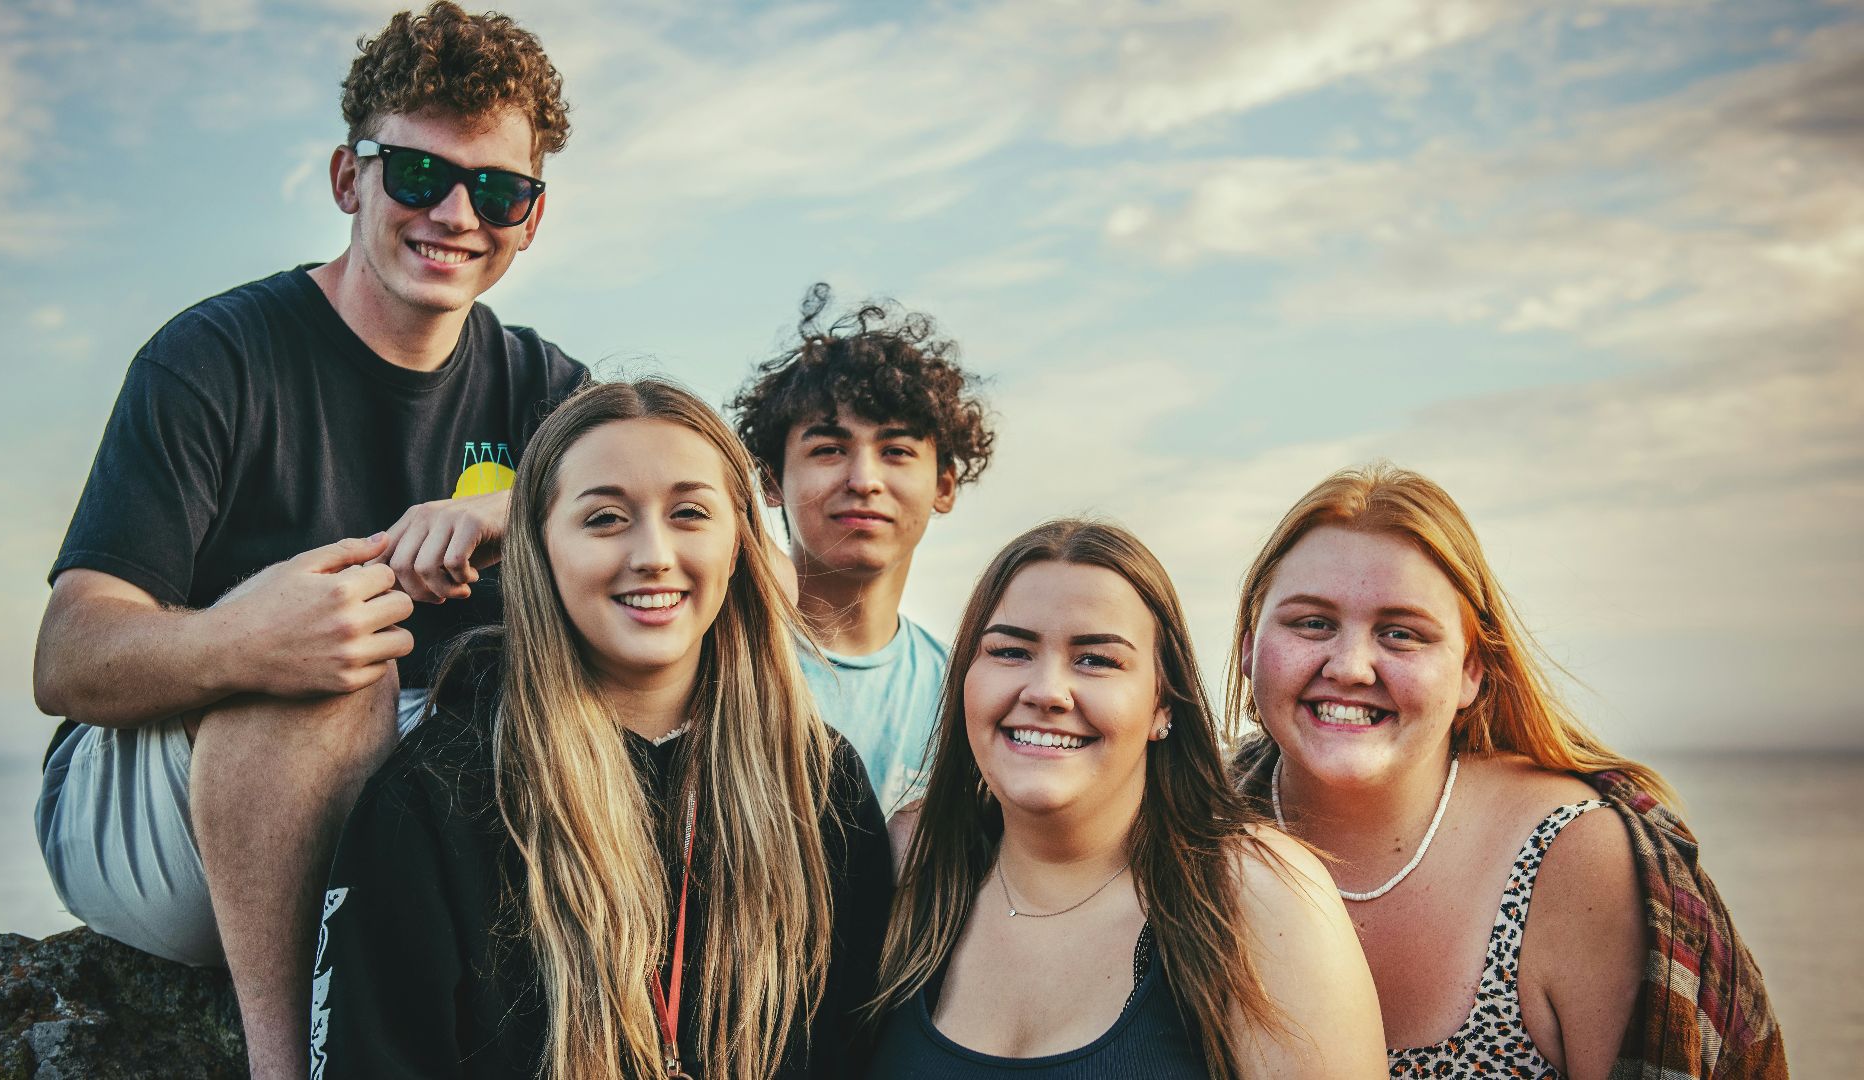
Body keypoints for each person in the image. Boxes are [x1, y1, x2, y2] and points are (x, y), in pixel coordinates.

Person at [29, 5, 583, 1077]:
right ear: (349, 179)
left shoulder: (548, 395)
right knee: (337, 662)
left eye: (499, 190)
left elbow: (698, 521)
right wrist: (248, 642)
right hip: (166, 815)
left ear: (533, 217)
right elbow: (67, 656)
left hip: (396, 811)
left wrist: (510, 504)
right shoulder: (214, 357)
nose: (458, 214)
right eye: (419, 175)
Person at [310, 379, 894, 1079]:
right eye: (605, 519)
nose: (651, 552)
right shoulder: (437, 796)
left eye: (689, 513)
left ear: (739, 545)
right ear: (539, 549)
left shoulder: (819, 783)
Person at [1225, 464, 1788, 1079]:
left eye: (1401, 633)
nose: (1352, 666)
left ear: (1471, 670)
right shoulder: (1188, 830)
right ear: (1250, 647)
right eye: (1312, 623)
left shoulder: (1580, 861)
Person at [869, 519, 1385, 1079]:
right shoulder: (910, 863)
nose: (1045, 691)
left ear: (1163, 705)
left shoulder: (1258, 894)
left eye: (1096, 660)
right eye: (1011, 651)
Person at [731, 283, 995, 811]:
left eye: (896, 450)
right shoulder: (713, 657)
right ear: (771, 480)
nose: (864, 479)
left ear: (943, 486)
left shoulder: (966, 697)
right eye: (829, 449)